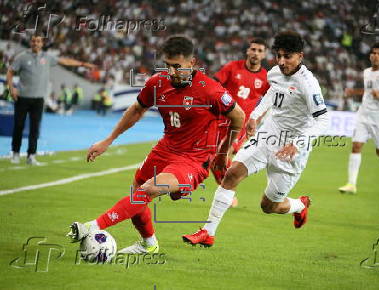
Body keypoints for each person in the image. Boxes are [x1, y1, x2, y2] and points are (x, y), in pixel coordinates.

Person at [67, 36, 245, 254]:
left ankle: (91, 227)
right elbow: (137, 110)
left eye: (177, 67)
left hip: (193, 159)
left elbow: (238, 116)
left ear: (192, 63)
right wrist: (109, 140)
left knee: (148, 189)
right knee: (136, 193)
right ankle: (148, 243)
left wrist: (223, 151)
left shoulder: (210, 90)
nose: (171, 72)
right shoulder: (157, 83)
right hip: (164, 149)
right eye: (167, 65)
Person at [182, 31, 329, 247]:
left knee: (268, 206)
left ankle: (299, 206)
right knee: (231, 174)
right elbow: (270, 95)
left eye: (287, 57)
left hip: (291, 150)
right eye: (278, 56)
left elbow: (324, 120)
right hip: (267, 136)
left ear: (300, 56)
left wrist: (297, 144)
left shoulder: (308, 84)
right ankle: (208, 232)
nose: (281, 61)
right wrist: (254, 117)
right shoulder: (275, 73)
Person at [7, 33, 95, 165]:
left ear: (42, 44)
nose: (35, 43)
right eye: (33, 41)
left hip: (38, 99)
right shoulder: (22, 57)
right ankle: (15, 154)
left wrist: (82, 63)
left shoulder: (47, 57)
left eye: (38, 41)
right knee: (18, 126)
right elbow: (10, 71)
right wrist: (11, 88)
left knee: (35, 128)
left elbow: (64, 61)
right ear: (30, 43)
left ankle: (31, 156)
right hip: (22, 97)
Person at [338, 43, 379, 194]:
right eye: (373, 53)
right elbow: (368, 91)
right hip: (363, 115)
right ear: (370, 56)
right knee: (356, 146)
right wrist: (353, 91)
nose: (376, 56)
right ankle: (351, 184)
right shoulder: (367, 72)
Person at [211, 38, 269, 208]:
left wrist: (257, 119)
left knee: (226, 152)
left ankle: (228, 194)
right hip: (221, 119)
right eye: (253, 49)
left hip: (241, 124)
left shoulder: (265, 77)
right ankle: (225, 190)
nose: (256, 53)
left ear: (264, 55)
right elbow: (214, 84)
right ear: (248, 51)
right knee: (215, 160)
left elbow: (269, 100)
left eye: (259, 51)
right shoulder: (232, 67)